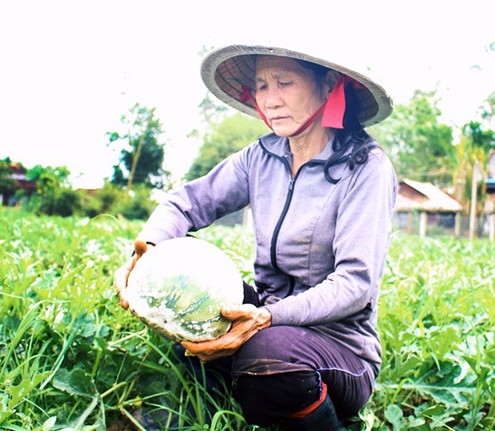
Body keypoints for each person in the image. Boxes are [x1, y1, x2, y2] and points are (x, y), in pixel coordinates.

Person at [114, 44, 397, 430]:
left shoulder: (366, 168)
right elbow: (187, 203)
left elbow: (355, 285)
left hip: (340, 346)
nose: (271, 99)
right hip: (264, 315)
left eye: (284, 82)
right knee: (182, 287)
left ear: (329, 84)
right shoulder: (260, 157)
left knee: (265, 355)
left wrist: (268, 317)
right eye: (262, 85)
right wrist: (146, 252)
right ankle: (202, 406)